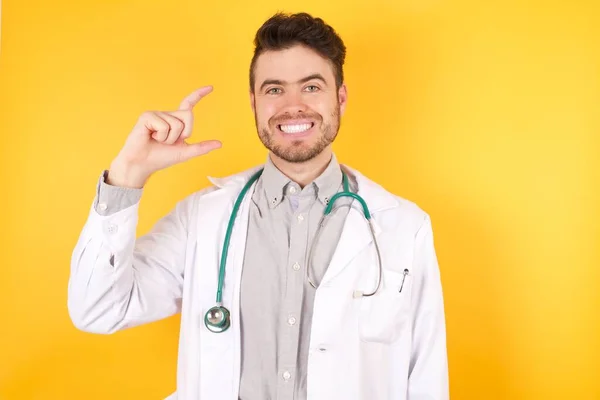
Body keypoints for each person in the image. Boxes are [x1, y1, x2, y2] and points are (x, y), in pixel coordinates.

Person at [68, 12, 449, 400]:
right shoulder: (203, 218)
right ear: (254, 102)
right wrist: (128, 175)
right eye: (274, 90)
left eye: (312, 87)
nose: (293, 106)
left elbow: (427, 377)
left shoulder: (404, 227)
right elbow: (98, 309)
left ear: (341, 98)